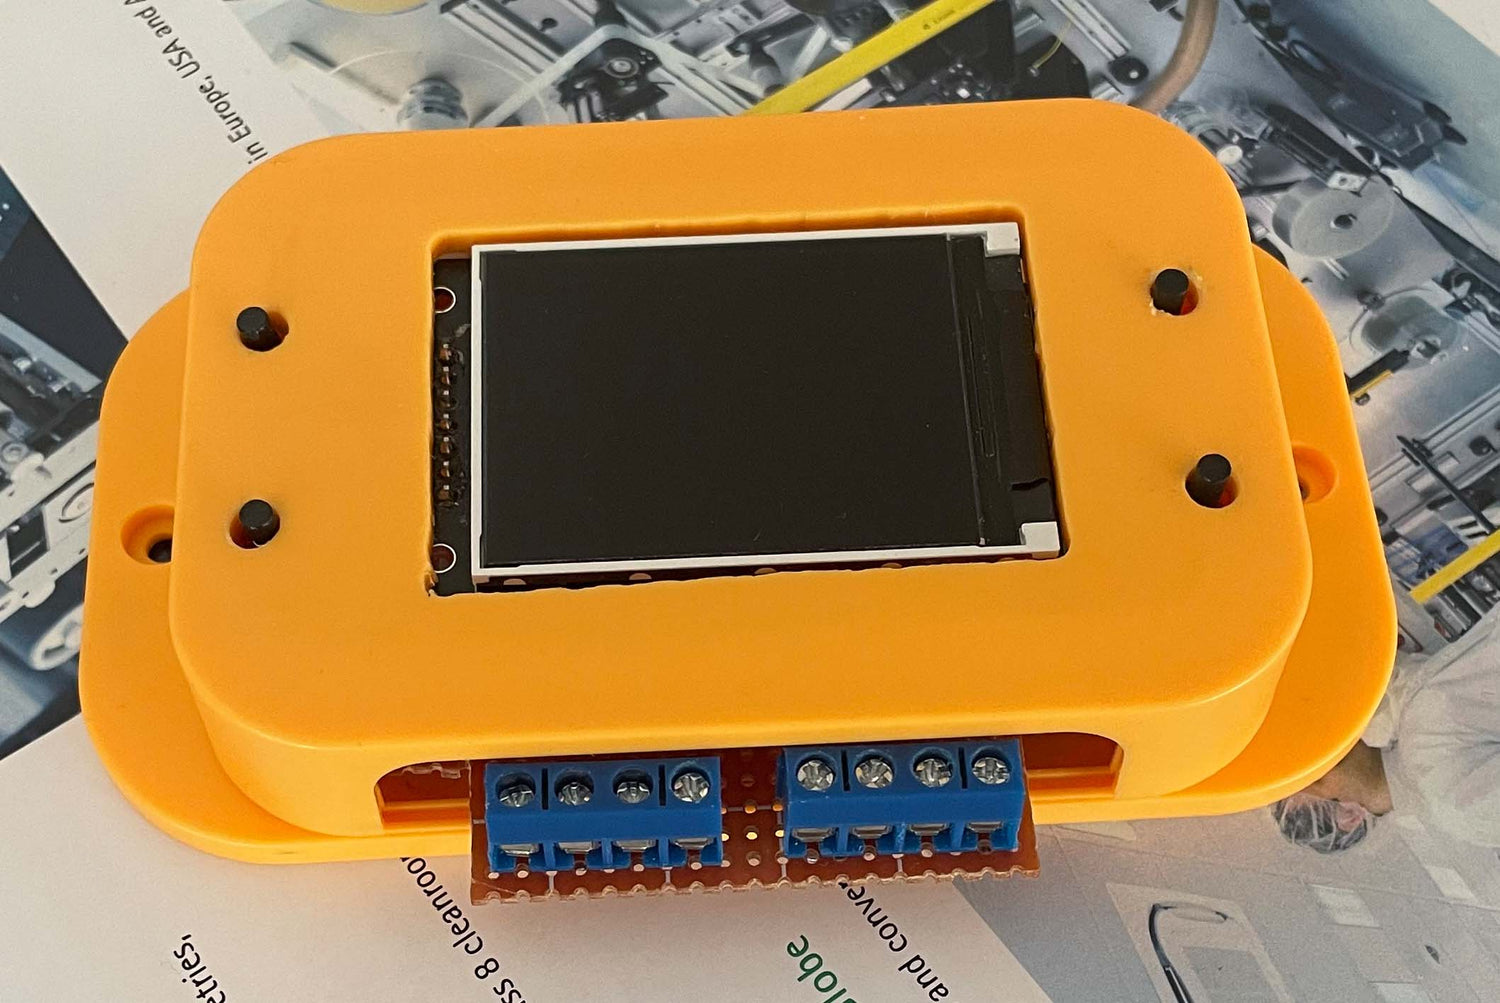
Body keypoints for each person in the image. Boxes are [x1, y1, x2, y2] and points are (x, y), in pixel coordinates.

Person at [1273, 606, 1500, 852]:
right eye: (1318, 778)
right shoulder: (1449, 793)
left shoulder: (1413, 737)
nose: (1325, 757)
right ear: (1351, 816)